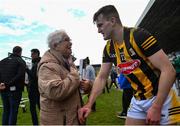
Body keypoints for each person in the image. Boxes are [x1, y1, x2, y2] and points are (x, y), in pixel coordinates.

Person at [78, 5, 180, 125]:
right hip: (138, 99)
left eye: (100, 25)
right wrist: (89, 104)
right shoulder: (109, 48)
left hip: (161, 97)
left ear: (112, 21)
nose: (98, 30)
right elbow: (101, 77)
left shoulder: (139, 36)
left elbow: (169, 70)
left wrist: (156, 107)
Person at [37, 30, 83, 125]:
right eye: (66, 40)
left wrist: (86, 85)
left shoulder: (67, 63)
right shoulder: (47, 67)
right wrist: (75, 75)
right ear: (55, 45)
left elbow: (72, 85)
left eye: (70, 39)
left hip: (70, 119)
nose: (71, 42)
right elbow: (57, 91)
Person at [0, 46, 26, 125]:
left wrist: (2, 84)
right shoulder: (20, 61)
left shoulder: (2, 61)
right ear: (20, 52)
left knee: (6, 110)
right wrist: (7, 84)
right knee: (13, 111)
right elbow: (20, 75)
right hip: (14, 90)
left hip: (3, 89)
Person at [26, 49, 41, 125]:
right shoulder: (36, 63)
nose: (31, 56)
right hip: (35, 89)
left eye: (32, 54)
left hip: (35, 90)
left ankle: (36, 124)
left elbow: (34, 77)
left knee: (35, 108)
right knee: (38, 108)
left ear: (36, 54)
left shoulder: (37, 63)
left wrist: (26, 69)